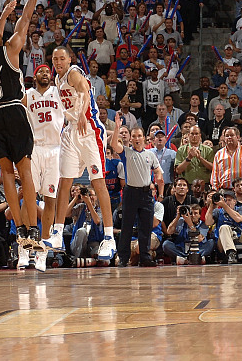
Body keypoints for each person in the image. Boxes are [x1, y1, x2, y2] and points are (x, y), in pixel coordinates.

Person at [0, 0, 55, 249]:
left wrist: (0, 18)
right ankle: (33, 229)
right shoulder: (10, 49)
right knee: (25, 171)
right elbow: (26, 19)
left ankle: (19, 227)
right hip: (13, 110)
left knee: (6, 173)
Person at [42, 45, 118, 262]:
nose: (58, 62)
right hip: (71, 131)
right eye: (55, 59)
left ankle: (109, 237)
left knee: (98, 182)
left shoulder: (73, 73)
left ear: (69, 59)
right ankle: (57, 232)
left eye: (61, 58)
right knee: (64, 181)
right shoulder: (57, 81)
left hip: (90, 130)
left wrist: (83, 113)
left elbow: (84, 91)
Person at [23, 64, 65, 272]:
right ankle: (24, 246)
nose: (45, 74)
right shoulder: (27, 95)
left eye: (48, 71)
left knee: (50, 199)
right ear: (35, 76)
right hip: (35, 148)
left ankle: (43, 250)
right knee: (29, 196)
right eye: (41, 71)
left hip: (55, 149)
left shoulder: (58, 92)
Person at [115, 124, 163, 267]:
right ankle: (123, 258)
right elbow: (114, 144)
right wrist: (117, 128)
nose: (137, 139)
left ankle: (145, 257)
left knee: (146, 227)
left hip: (146, 193)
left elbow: (158, 170)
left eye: (139, 136)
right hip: (130, 192)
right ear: (130, 139)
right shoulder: (126, 152)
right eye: (134, 136)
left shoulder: (150, 154)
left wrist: (158, 177)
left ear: (145, 138)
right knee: (127, 226)